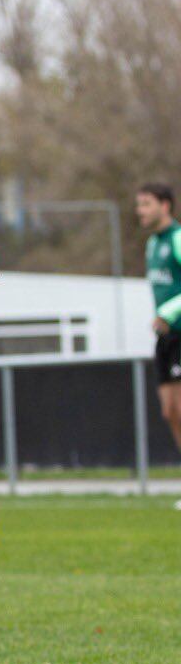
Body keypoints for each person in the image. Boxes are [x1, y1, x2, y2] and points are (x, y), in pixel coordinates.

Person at [136, 182, 181, 507]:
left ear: (166, 206)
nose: (141, 210)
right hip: (165, 337)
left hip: (179, 331)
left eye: (147, 204)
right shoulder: (152, 244)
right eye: (139, 204)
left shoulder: (176, 239)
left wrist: (168, 312)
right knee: (170, 411)